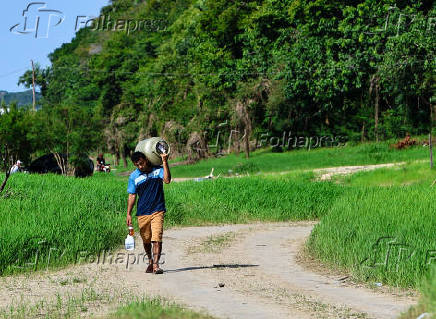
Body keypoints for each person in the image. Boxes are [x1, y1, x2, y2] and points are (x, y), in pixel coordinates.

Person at [126, 151, 171, 274]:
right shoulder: (134, 177)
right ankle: (150, 261)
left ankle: (156, 265)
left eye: (141, 163)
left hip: (158, 210)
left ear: (146, 159)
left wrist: (165, 161)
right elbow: (132, 195)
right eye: (137, 165)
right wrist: (128, 213)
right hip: (143, 212)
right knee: (146, 240)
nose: (140, 166)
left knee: (157, 238)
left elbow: (167, 180)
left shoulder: (158, 170)